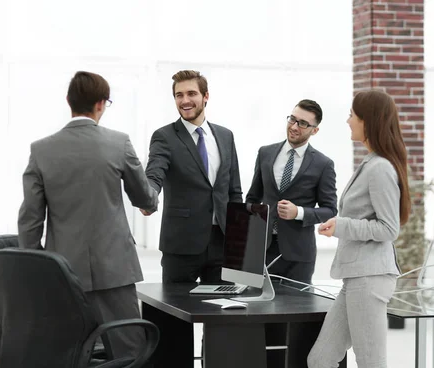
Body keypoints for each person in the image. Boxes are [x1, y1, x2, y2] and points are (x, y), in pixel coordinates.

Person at [17, 71, 158, 358]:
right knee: (129, 354)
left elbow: (31, 220)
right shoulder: (119, 143)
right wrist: (152, 197)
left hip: (63, 273)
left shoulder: (41, 150)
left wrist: (38, 271)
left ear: (69, 101)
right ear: (101, 104)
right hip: (115, 271)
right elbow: (145, 198)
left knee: (67, 354)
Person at [307, 90, 411, 368]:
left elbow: (389, 229)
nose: (348, 120)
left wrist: (342, 225)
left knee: (370, 362)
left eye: (352, 115)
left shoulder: (380, 168)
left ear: (369, 121)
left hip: (370, 277)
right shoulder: (371, 163)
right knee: (320, 359)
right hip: (357, 276)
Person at [143, 69, 243, 283]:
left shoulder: (225, 136)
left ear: (205, 96)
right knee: (175, 313)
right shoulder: (164, 136)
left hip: (222, 244)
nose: (185, 100)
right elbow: (154, 173)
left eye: (191, 93)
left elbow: (234, 191)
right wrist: (148, 195)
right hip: (181, 244)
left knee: (221, 312)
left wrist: (239, 240)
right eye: (179, 95)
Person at [246, 99, 338, 285]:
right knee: (260, 309)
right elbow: (252, 198)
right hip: (263, 249)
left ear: (315, 130)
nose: (295, 127)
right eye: (292, 119)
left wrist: (299, 212)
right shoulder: (265, 153)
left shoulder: (323, 164)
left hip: (299, 255)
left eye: (303, 123)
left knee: (297, 310)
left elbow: (330, 209)